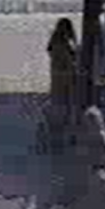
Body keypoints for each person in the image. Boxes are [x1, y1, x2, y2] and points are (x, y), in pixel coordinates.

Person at [44, 18, 79, 150]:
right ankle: (60, 140)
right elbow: (68, 63)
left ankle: (55, 137)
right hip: (66, 81)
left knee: (58, 107)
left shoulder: (55, 42)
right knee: (64, 109)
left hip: (57, 80)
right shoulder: (63, 44)